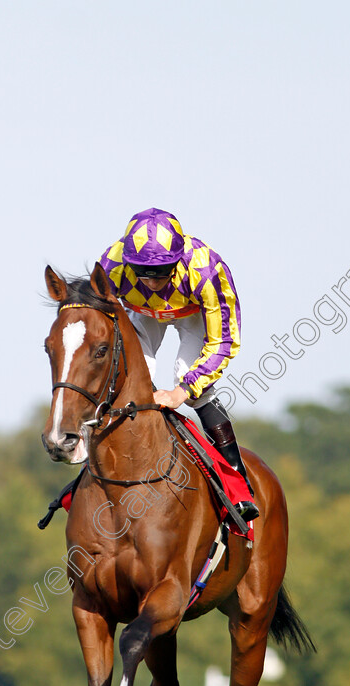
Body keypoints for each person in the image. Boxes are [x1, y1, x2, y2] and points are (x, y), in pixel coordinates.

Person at [99, 207, 258, 521]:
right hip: (141, 313)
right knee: (132, 378)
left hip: (191, 314)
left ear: (180, 257)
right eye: (143, 271)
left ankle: (237, 486)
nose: (152, 280)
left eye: (162, 271)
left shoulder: (207, 268)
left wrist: (181, 392)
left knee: (191, 383)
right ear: (128, 260)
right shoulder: (112, 264)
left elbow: (224, 341)